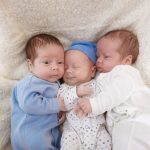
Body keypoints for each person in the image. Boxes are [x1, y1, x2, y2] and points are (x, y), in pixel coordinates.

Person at [76, 29, 150, 150]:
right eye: (98, 56)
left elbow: (115, 93)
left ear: (126, 61)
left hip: (135, 119)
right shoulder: (106, 76)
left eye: (106, 56)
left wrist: (94, 104)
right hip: (124, 124)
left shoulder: (125, 72)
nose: (99, 60)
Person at [11, 33, 66, 150]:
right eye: (46, 62)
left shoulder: (56, 83)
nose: (55, 67)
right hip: (31, 134)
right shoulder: (30, 83)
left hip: (49, 131)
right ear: (31, 65)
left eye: (60, 62)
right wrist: (56, 104)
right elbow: (29, 104)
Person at [58, 41, 111, 150]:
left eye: (75, 67)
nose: (68, 71)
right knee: (67, 144)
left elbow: (105, 101)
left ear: (92, 71)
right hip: (73, 131)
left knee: (106, 141)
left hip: (97, 130)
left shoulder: (97, 85)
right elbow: (63, 105)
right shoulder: (64, 88)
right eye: (65, 67)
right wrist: (75, 92)